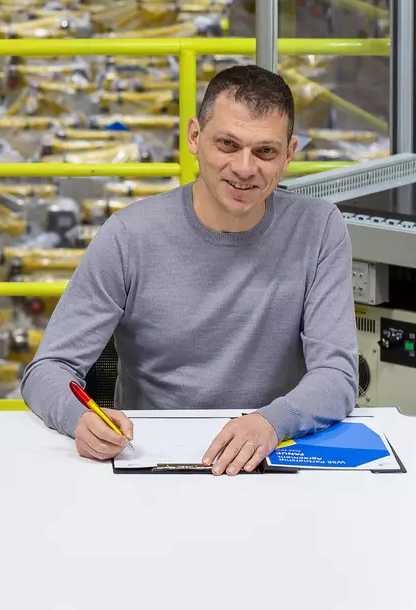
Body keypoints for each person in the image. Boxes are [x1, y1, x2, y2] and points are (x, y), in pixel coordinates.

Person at [20, 64, 357, 475]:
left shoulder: (319, 228)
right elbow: (48, 370)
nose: (245, 168)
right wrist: (80, 420)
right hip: (152, 461)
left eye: (265, 151)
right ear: (194, 137)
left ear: (289, 154)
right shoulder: (130, 235)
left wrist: (272, 422)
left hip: (270, 453)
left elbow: (337, 374)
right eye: (228, 144)